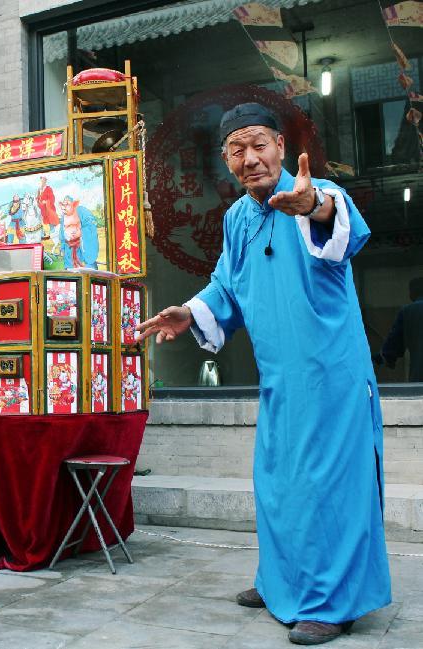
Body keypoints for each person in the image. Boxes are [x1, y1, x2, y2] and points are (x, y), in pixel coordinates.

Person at [135, 103, 391, 645]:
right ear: (226, 159)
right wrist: (190, 312)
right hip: (278, 378)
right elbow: (226, 287)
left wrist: (314, 205)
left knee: (329, 486)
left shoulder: (311, 190)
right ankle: (281, 584)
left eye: (259, 145)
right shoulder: (235, 218)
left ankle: (330, 603)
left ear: (280, 144)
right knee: (277, 483)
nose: (250, 159)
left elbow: (339, 222)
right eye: (236, 149)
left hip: (331, 377)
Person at [378, 278, 423, 382]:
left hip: (419, 379)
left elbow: (393, 345)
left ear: (413, 292)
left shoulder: (408, 312)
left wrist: (381, 358)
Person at [58, 196, 99, 269]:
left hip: (82, 250)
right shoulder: (63, 217)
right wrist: (63, 247)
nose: (64, 207)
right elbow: (62, 235)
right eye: (63, 205)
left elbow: (91, 225)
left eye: (67, 204)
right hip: (69, 254)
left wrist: (80, 231)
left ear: (73, 204)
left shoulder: (81, 211)